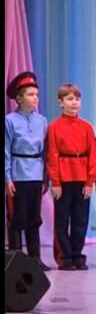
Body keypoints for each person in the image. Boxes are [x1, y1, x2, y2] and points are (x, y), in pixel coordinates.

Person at [46, 84, 96, 270]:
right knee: (62, 220)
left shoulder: (86, 127)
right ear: (60, 102)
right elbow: (52, 155)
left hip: (82, 178)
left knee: (80, 219)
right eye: (69, 99)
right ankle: (64, 257)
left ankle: (77, 254)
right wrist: (55, 181)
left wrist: (90, 181)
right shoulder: (54, 127)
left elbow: (93, 154)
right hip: (63, 179)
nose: (74, 103)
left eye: (77, 99)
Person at [5, 72, 51, 270]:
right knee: (16, 218)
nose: (35, 98)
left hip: (36, 174)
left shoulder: (42, 121)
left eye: (36, 94)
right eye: (30, 94)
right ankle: (15, 260)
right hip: (18, 174)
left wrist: (45, 176)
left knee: (34, 218)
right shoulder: (10, 120)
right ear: (19, 98)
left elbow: (45, 151)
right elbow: (6, 151)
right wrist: (7, 178)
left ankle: (35, 258)